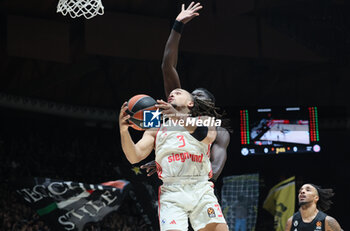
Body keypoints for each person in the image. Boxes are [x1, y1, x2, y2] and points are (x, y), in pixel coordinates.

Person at [141, 2, 230, 186]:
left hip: (200, 187)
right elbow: (167, 66)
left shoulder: (218, 130)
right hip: (174, 185)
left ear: (210, 106)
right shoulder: (179, 104)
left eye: (200, 96)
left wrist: (196, 179)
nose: (194, 96)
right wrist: (178, 25)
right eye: (193, 94)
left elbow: (215, 167)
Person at [119, 87, 228, 230]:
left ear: (190, 103)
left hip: (200, 187)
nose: (172, 94)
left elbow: (207, 137)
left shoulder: (204, 120)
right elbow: (134, 156)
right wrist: (123, 131)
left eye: (178, 93)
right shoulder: (156, 128)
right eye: (171, 93)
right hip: (172, 191)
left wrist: (177, 116)